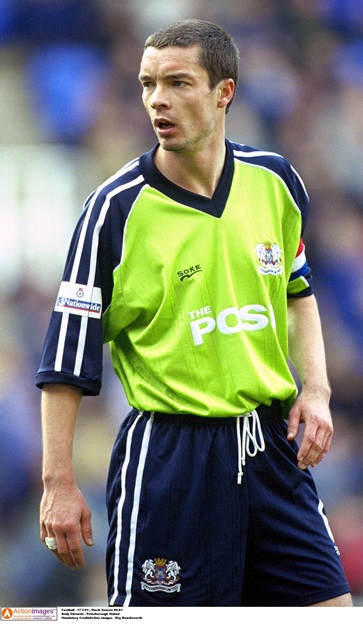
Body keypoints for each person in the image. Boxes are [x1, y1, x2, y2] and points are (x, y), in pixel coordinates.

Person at [36, 18, 352, 607]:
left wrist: (318, 390)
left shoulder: (275, 181)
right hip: (171, 460)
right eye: (147, 83)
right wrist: (57, 482)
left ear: (223, 92)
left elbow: (297, 289)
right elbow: (64, 362)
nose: (158, 99)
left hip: (270, 449)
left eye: (178, 82)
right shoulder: (113, 211)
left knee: (330, 617)